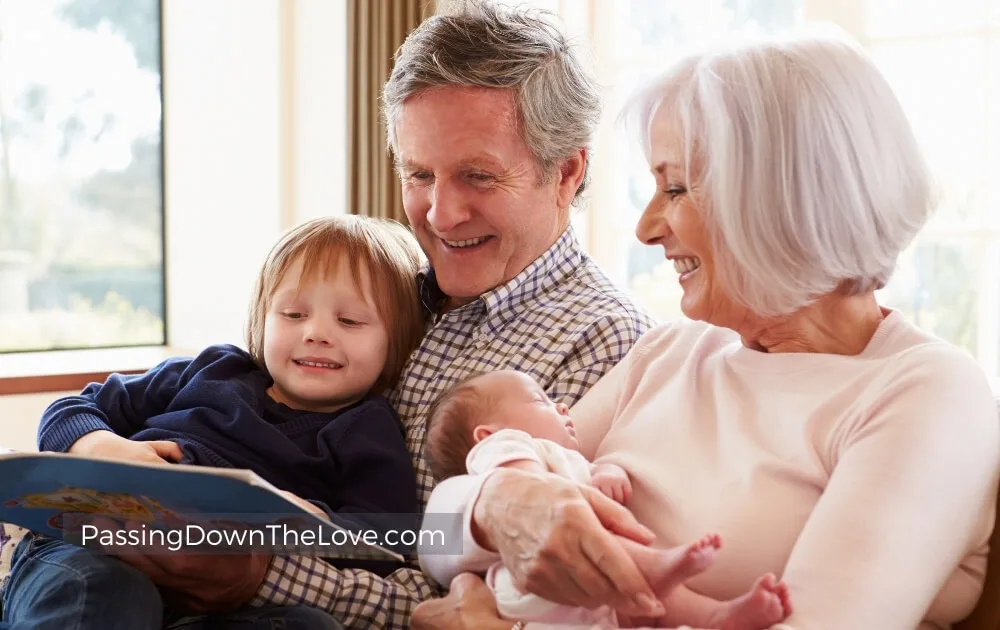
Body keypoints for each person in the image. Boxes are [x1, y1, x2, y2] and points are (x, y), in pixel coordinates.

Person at [12, 3, 654, 629]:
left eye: (479, 177)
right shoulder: (386, 287)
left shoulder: (605, 345)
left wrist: (257, 572)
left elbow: (487, 602)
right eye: (419, 173)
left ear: (568, 171)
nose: (440, 214)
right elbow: (93, 410)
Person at [413, 29, 1000, 630]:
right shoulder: (670, 351)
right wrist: (499, 502)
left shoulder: (925, 391)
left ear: (779, 196)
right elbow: (433, 539)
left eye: (675, 188)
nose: (645, 229)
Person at [0, 215, 426, 630]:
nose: (316, 332)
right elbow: (75, 407)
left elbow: (388, 540)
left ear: (397, 342)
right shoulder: (213, 369)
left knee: (308, 624)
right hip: (94, 546)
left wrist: (311, 521)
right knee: (111, 592)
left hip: (214, 601)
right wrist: (96, 444)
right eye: (293, 314)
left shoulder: (369, 430)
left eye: (349, 320)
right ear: (262, 320)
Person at [425, 369, 793, 630]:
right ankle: (654, 565)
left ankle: (715, 618)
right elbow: (529, 497)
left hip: (580, 603)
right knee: (609, 548)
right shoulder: (508, 447)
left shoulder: (565, 458)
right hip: (535, 586)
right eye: (542, 400)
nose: (564, 406)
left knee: (650, 607)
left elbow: (595, 471)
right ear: (488, 434)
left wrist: (608, 472)